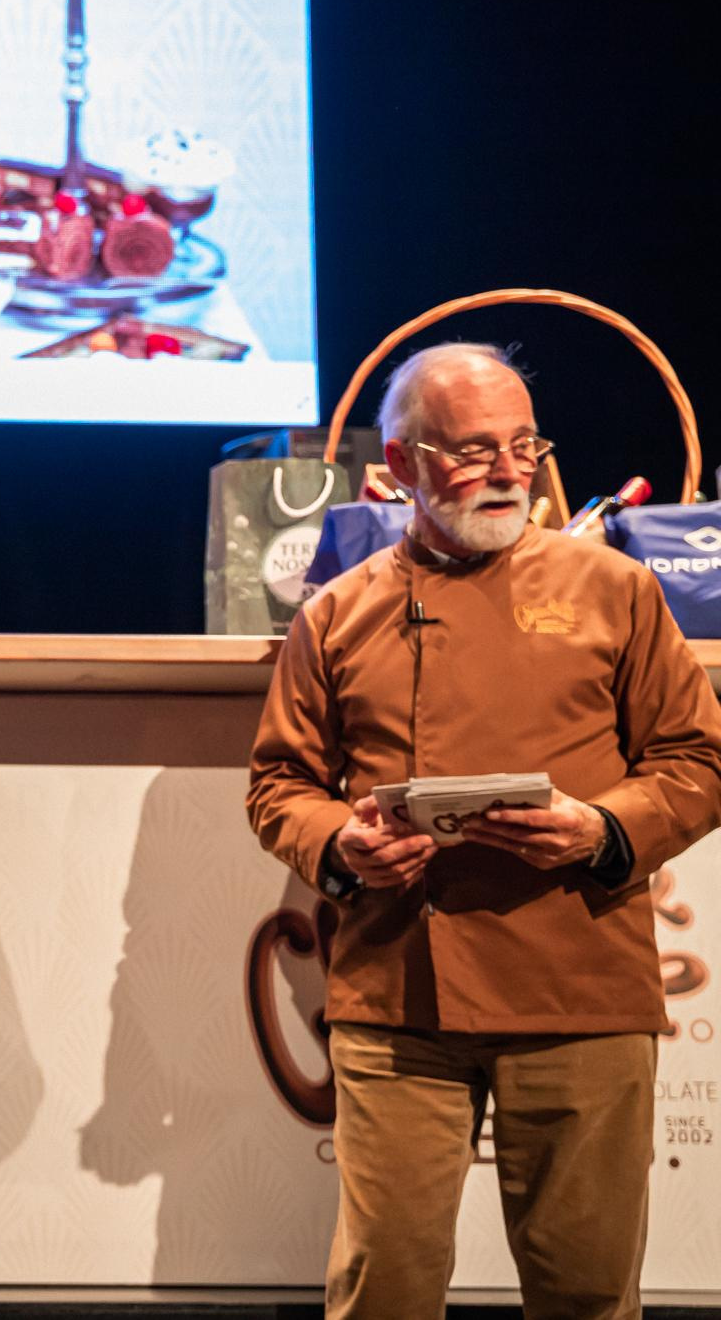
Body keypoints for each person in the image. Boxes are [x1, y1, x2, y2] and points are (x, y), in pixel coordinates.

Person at [246, 342, 721, 1320]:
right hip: (395, 995)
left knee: (586, 1294)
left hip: (578, 987)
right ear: (401, 464)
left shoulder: (615, 591)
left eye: (520, 445)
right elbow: (279, 783)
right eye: (469, 452)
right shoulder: (338, 611)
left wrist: (598, 828)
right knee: (382, 1288)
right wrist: (339, 844)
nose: (506, 471)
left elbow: (696, 761)